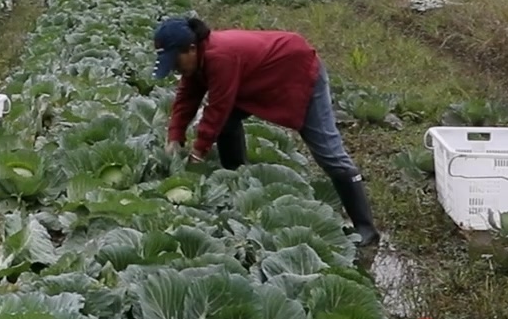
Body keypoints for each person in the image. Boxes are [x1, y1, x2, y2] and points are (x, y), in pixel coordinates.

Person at [152, 16, 381, 247]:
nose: (175, 68)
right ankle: (238, 179)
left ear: (191, 48)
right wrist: (174, 137)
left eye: (176, 61)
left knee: (329, 153)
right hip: (257, 79)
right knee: (227, 122)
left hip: (297, 72)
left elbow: (217, 108)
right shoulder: (197, 60)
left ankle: (365, 228)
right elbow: (186, 98)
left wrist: (198, 153)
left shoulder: (220, 57)